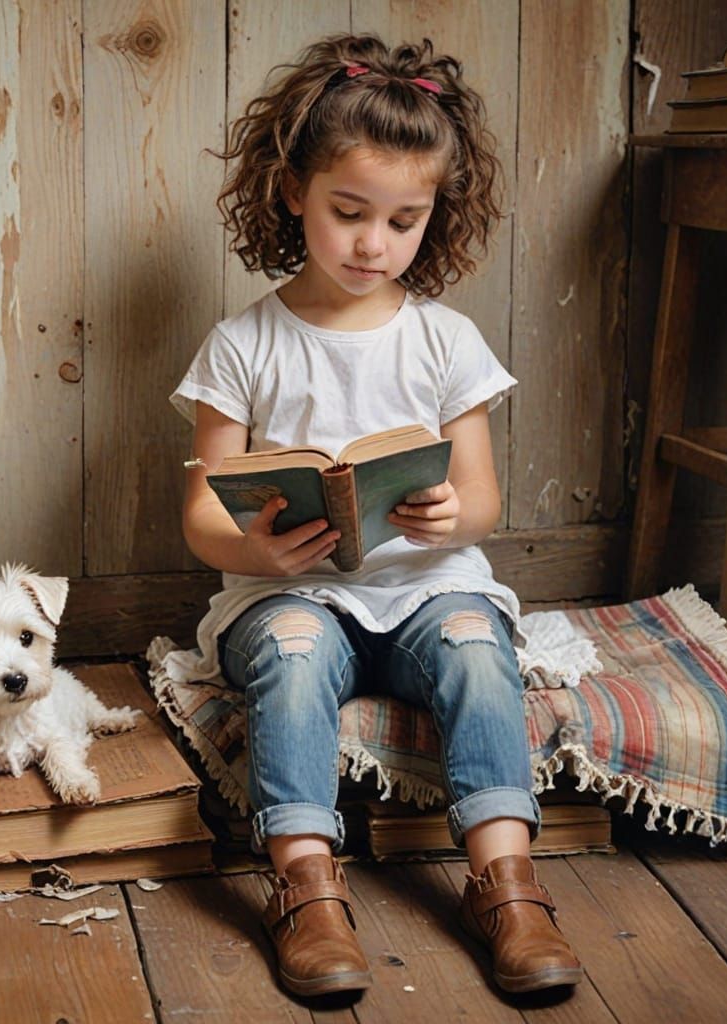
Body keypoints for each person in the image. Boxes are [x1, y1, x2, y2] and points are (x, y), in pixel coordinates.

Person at [170, 34, 582, 998]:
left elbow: (483, 497)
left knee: (481, 644)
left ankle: (509, 888)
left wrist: (448, 515)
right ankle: (307, 889)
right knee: (299, 654)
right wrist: (257, 549)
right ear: (292, 193)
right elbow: (200, 514)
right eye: (350, 213)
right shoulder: (243, 345)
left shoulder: (445, 338)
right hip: (291, 594)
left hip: (426, 590)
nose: (373, 243)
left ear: (435, 215)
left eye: (405, 220)